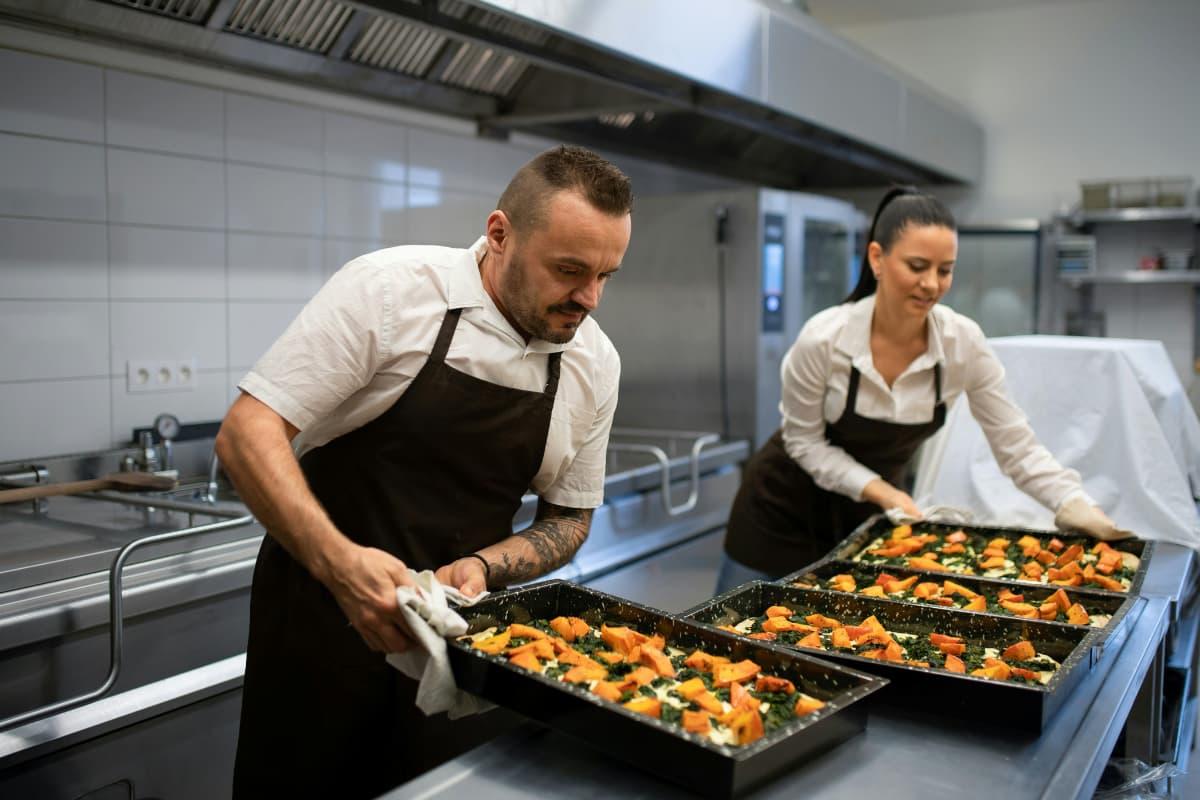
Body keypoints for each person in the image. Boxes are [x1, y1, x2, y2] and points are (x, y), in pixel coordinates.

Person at [217, 145, 631, 799]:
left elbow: (570, 517)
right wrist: (342, 566)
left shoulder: (595, 364)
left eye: (608, 274)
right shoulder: (391, 293)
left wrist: (488, 567)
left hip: (458, 646)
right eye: (569, 270)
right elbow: (247, 432)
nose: (590, 298)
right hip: (319, 625)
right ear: (500, 235)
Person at [717, 187, 1124, 592]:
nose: (931, 284)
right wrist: (882, 491)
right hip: (777, 516)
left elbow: (1015, 444)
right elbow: (804, 443)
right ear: (877, 258)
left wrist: (1071, 502)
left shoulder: (962, 344)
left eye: (944, 270)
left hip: (869, 524)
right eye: (917, 266)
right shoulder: (825, 340)